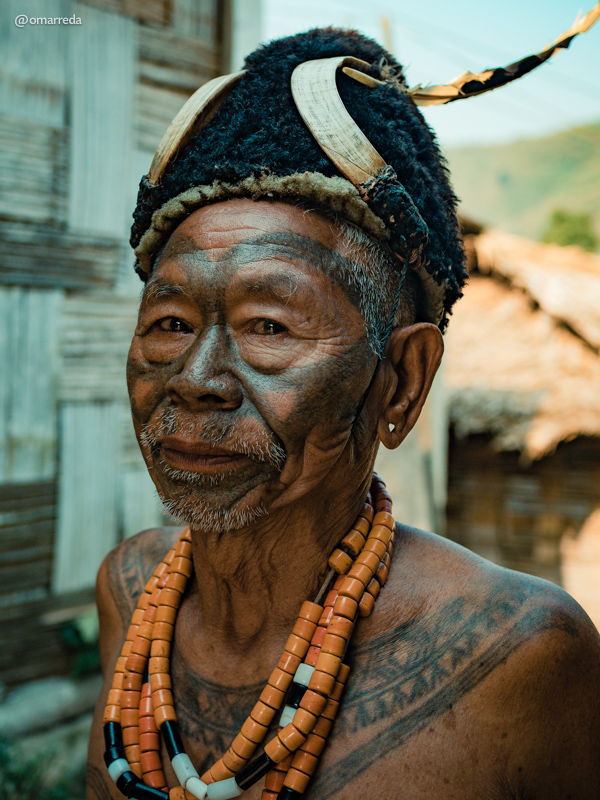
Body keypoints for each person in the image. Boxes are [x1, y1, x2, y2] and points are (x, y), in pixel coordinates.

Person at [87, 23, 600, 800]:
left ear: (400, 380)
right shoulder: (128, 589)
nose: (196, 379)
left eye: (269, 326)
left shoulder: (519, 656)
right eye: (170, 324)